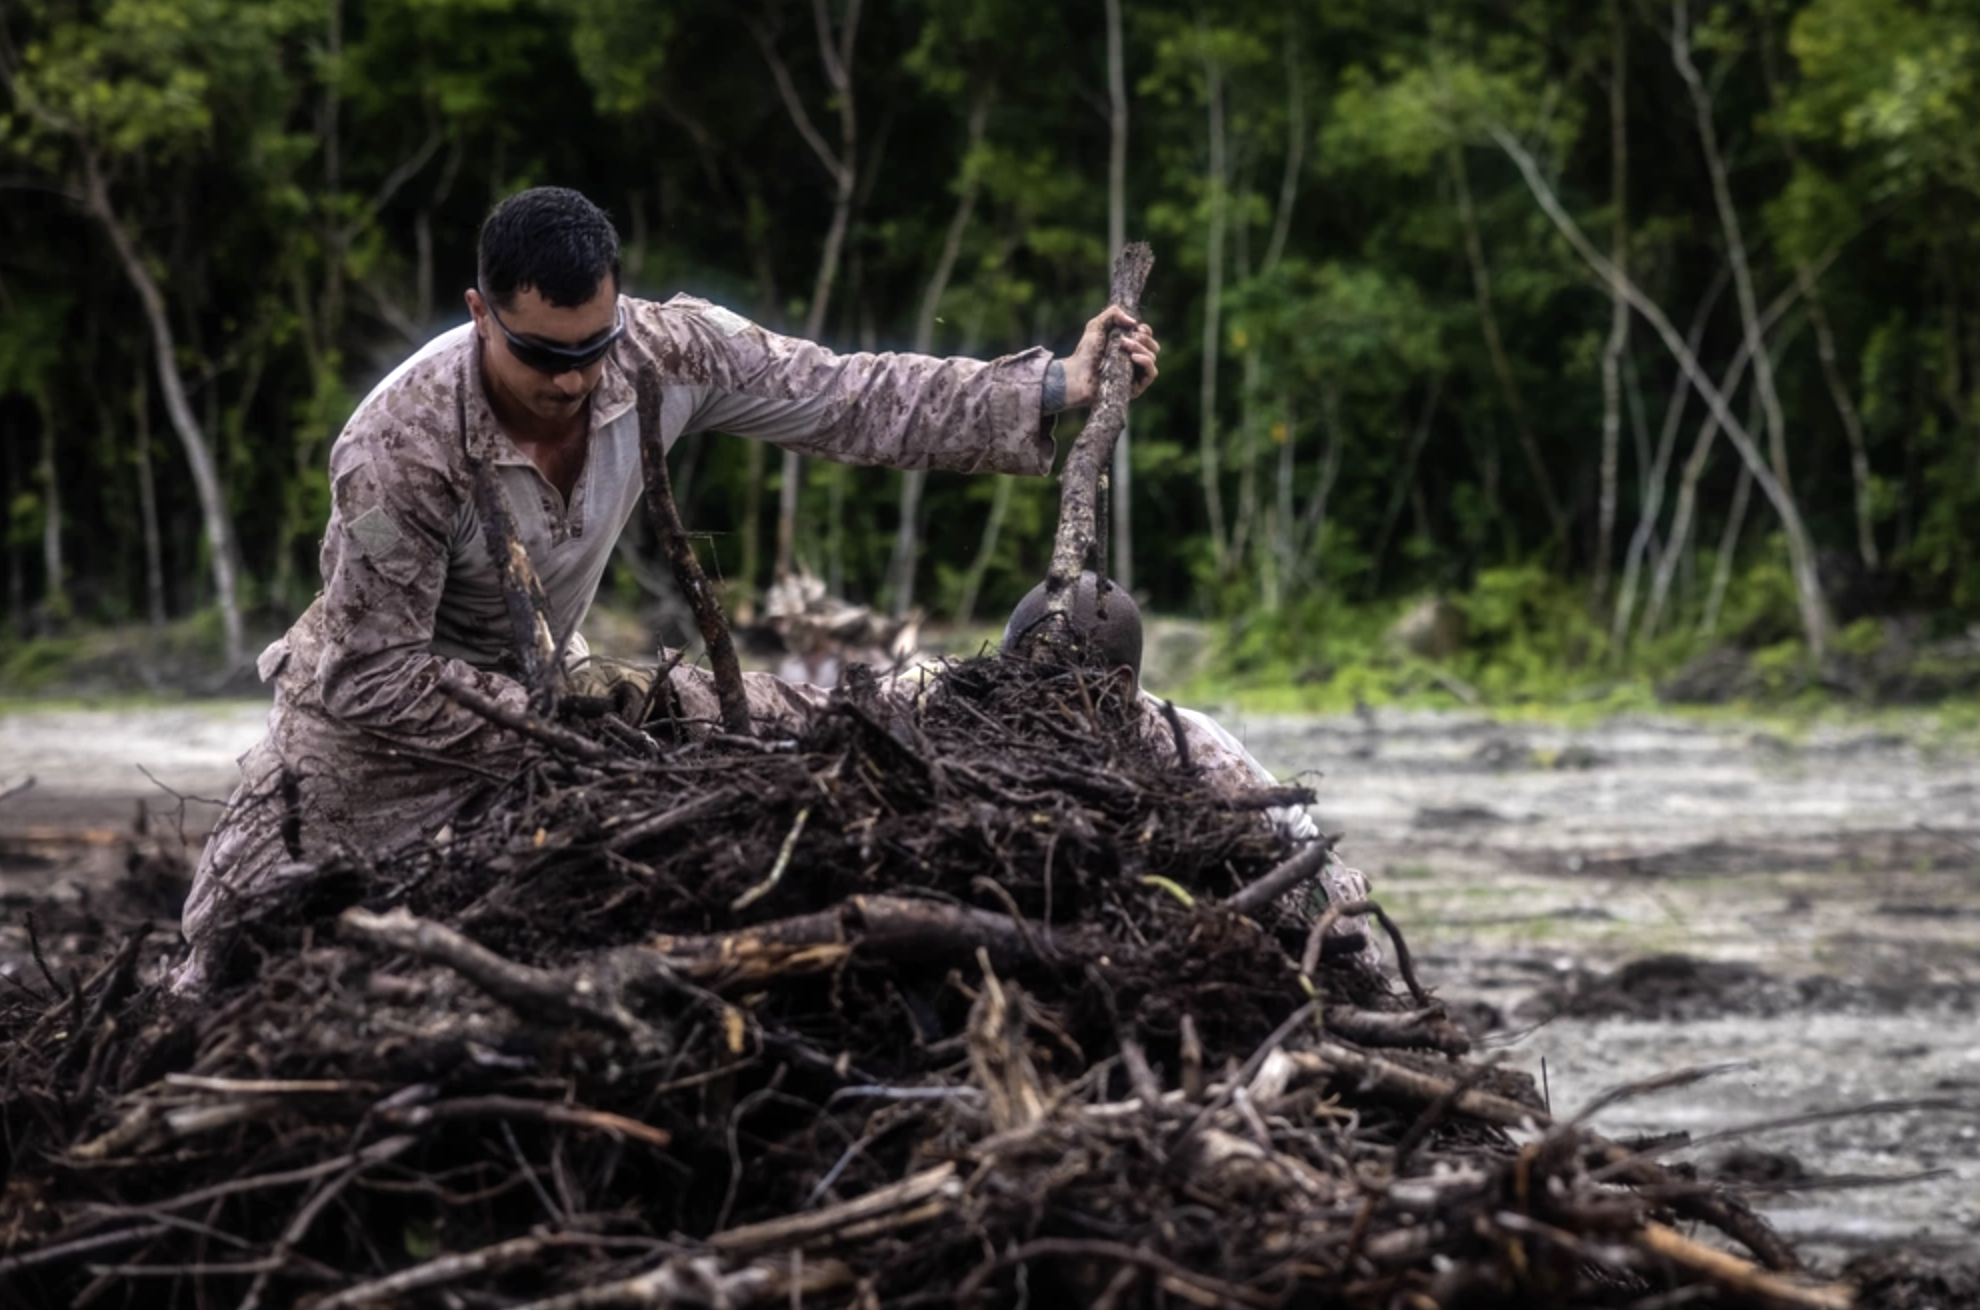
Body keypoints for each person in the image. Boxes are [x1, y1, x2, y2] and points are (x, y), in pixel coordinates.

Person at [172, 186, 1159, 994]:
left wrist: (1047, 390)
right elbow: (371, 675)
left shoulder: (665, 350)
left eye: (589, 350)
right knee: (225, 970)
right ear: (480, 313)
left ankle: (978, 697)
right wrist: (568, 715)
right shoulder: (397, 445)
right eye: (541, 356)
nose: (570, 383)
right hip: (367, 751)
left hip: (545, 712)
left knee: (571, 928)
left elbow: (846, 393)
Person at [999, 573, 1379, 964]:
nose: (1021, 699)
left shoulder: (1197, 760)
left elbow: (1258, 892)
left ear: (1117, 686)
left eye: (1044, 685)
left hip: (1313, 907)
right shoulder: (1046, 728)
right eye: (1009, 677)